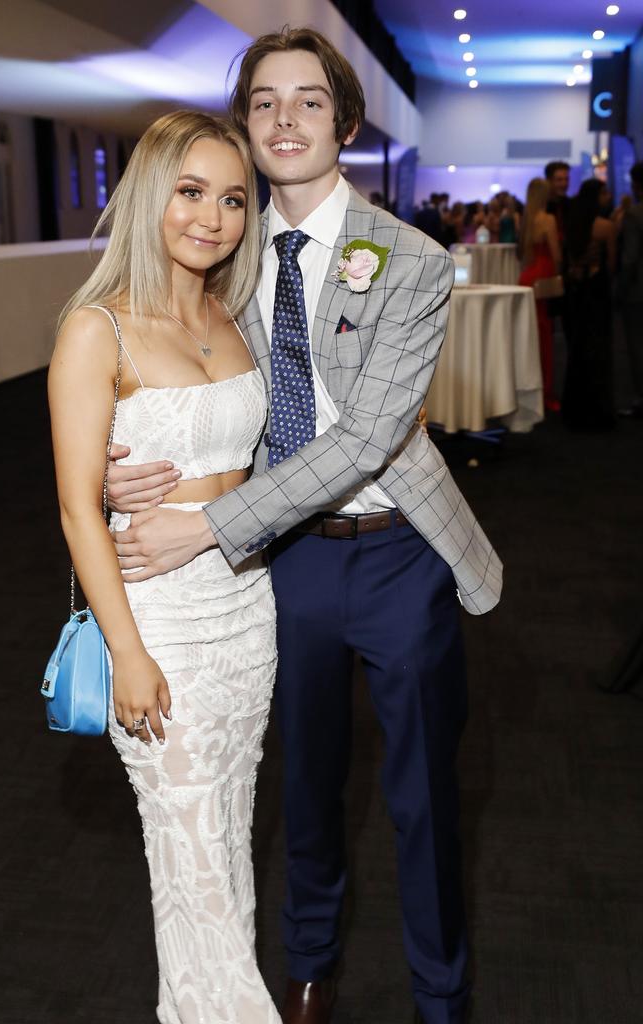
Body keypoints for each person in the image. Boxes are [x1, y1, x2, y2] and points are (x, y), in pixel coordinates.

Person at [108, 28, 503, 1024]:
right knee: (307, 787)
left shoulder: (406, 258)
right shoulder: (225, 254)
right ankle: (310, 969)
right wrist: (128, 448)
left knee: (421, 799)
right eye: (265, 102)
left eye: (309, 101)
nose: (285, 120)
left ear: (348, 122)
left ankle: (442, 995)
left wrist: (205, 526)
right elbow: (175, 365)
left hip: (399, 555)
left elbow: (368, 436)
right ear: (246, 125)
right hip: (285, 565)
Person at [48, 110, 281, 1023]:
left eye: (232, 198)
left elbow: (264, 461)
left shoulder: (234, 313)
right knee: (192, 863)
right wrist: (130, 652)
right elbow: (76, 509)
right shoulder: (95, 329)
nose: (211, 217)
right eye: (191, 192)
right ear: (151, 194)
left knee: (224, 848)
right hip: (161, 626)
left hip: (246, 613)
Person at [562, 177, 618, 431]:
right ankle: (599, 408)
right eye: (604, 193)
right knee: (599, 349)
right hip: (597, 289)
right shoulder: (606, 226)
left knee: (577, 348)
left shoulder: (572, 224)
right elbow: (612, 262)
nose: (607, 197)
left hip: (576, 290)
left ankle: (574, 407)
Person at [518, 177, 562, 411]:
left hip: (528, 277)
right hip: (544, 278)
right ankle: (546, 393)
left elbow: (524, 255)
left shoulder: (526, 220)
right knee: (545, 339)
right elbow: (556, 255)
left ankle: (529, 390)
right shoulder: (548, 220)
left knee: (531, 338)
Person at [617, 161, 643, 418]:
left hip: (638, 293)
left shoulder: (635, 214)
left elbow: (630, 258)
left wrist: (619, 291)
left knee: (637, 347)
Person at [544, 160, 571, 242]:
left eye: (566, 179)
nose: (564, 184)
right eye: (559, 180)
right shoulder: (542, 206)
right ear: (549, 181)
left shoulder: (572, 205)